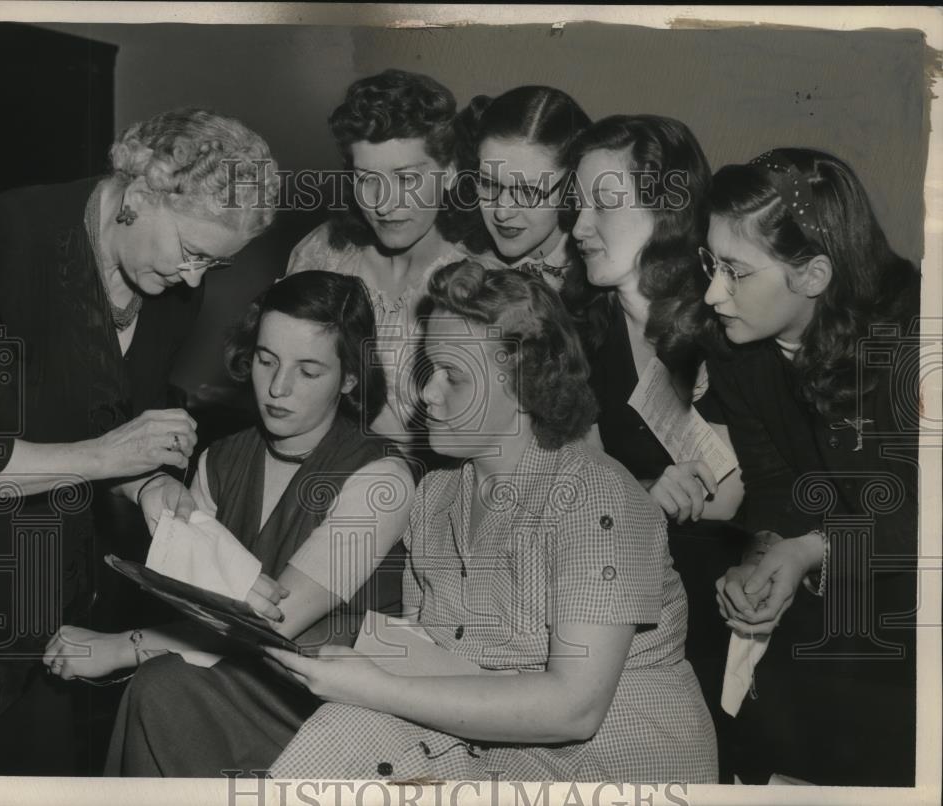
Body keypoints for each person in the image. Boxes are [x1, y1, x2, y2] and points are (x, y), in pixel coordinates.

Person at [266, 260, 718, 783]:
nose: (428, 394)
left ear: (526, 386)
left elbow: (574, 707)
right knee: (342, 732)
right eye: (428, 370)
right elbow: (439, 663)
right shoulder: (436, 497)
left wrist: (368, 686)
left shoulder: (594, 496)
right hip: (499, 755)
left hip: (618, 771)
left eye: (453, 376)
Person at [0, 107, 278, 774]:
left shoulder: (167, 288)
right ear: (137, 196)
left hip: (48, 593)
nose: (196, 281)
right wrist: (112, 458)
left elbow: (125, 421)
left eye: (214, 266)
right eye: (193, 253)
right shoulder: (0, 242)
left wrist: (154, 488)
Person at [44, 270, 415, 777]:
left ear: (349, 378)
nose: (278, 388)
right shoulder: (219, 463)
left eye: (309, 372)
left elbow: (271, 622)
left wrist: (120, 647)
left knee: (160, 686)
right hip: (224, 684)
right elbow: (198, 617)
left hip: (329, 716)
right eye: (266, 361)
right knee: (163, 685)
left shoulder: (382, 481)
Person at [705, 148, 920, 786]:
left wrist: (808, 552)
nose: (713, 292)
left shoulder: (913, 345)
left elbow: (924, 519)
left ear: (814, 274)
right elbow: (773, 482)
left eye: (736, 272)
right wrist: (766, 555)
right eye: (710, 263)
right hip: (843, 587)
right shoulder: (738, 345)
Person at [568, 114, 744, 751]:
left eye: (605, 204)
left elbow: (729, 495)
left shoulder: (728, 321)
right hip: (614, 605)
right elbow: (574, 489)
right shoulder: (575, 334)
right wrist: (639, 488)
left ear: (667, 210)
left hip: (727, 600)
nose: (580, 226)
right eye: (577, 203)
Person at [285, 69, 480, 442]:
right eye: (366, 178)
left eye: (406, 179)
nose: (384, 204)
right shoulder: (322, 253)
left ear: (451, 172)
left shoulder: (480, 279)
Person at [455, 85, 590, 295]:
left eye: (528, 192)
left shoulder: (602, 275)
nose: (502, 211)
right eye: (489, 184)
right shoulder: (451, 255)